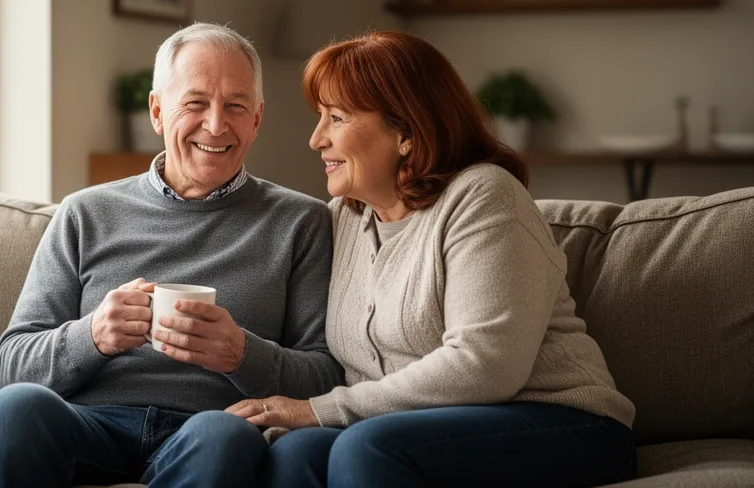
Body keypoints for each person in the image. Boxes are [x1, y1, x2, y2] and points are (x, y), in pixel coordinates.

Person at [227, 31, 637, 487]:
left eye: (336, 117)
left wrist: (321, 410)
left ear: (406, 131)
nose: (316, 138)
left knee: (367, 447)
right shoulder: (342, 218)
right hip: (416, 428)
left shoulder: (483, 195)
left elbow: (485, 365)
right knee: (296, 452)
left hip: (560, 420)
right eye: (319, 117)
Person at [0, 23, 343, 488]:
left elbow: (326, 374)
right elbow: (13, 364)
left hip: (207, 426)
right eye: (195, 103)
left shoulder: (301, 222)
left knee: (225, 435)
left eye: (236, 106)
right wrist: (94, 335)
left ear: (257, 120)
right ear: (158, 111)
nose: (217, 124)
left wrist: (241, 354)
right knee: (13, 410)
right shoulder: (85, 212)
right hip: (89, 425)